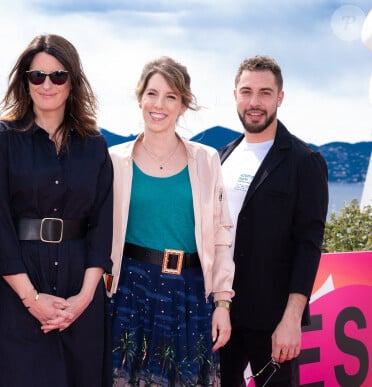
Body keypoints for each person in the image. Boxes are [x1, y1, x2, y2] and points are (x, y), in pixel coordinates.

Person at [0, 34, 113, 387]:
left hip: (79, 297)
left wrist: (84, 299)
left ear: (72, 81)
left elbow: (102, 227)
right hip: (14, 291)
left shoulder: (95, 145)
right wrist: (32, 298)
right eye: (36, 75)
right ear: (25, 81)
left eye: (57, 76)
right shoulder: (3, 137)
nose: (47, 84)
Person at [108, 56, 235, 386]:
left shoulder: (206, 160)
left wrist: (222, 302)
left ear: (183, 105)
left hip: (189, 294)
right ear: (140, 99)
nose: (158, 104)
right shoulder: (114, 160)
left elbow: (222, 236)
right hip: (129, 291)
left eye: (171, 96)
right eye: (151, 93)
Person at [219, 55, 328, 386]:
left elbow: (309, 246)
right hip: (220, 314)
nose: (255, 102)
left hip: (272, 320)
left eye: (265, 93)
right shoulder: (221, 156)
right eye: (247, 91)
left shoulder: (304, 161)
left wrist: (292, 320)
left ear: (280, 97)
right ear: (235, 95)